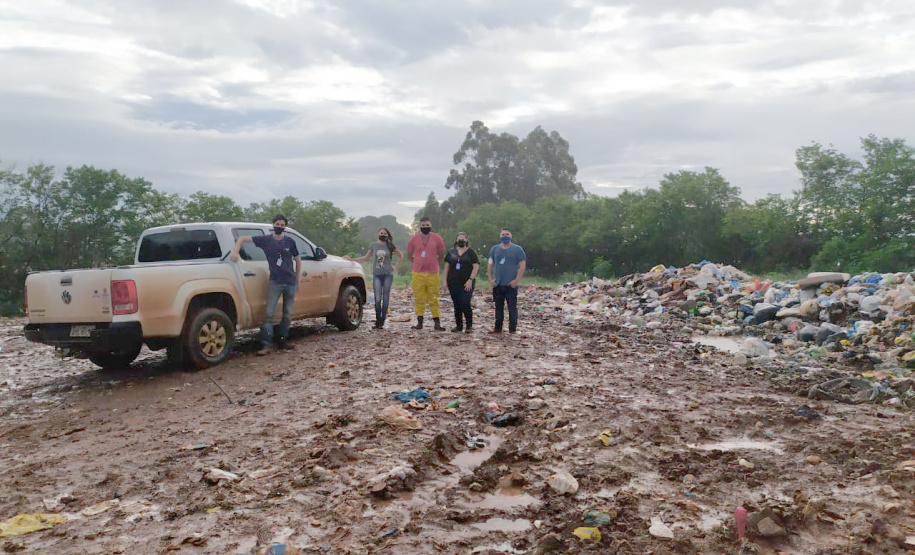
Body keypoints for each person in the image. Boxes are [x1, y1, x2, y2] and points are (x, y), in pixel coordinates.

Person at [230, 214, 302, 354]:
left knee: (287, 314)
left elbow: (298, 260)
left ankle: (282, 341)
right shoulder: (266, 240)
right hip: (275, 281)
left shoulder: (290, 241)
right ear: (273, 224)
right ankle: (266, 344)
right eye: (277, 224)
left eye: (282, 225)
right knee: (268, 314)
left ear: (285, 226)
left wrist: (297, 279)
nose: (279, 227)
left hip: (290, 282)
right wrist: (235, 251)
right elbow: (242, 238)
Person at [343, 228, 403, 329]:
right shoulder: (373, 245)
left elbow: (401, 256)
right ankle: (377, 320)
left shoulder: (390, 245)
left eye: (385, 233)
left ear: (387, 235)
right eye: (381, 233)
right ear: (378, 234)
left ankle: (382, 320)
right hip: (377, 275)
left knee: (386, 297)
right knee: (377, 298)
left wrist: (395, 268)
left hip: (388, 274)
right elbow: (365, 258)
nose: (383, 234)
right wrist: (351, 259)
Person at [405, 216, 446, 330]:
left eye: (427, 225)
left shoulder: (437, 238)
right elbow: (409, 253)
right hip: (418, 273)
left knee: (434, 297)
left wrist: (435, 261)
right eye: (423, 225)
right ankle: (419, 322)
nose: (425, 227)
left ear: (431, 225)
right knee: (419, 297)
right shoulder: (414, 239)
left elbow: (442, 253)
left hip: (433, 272)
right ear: (420, 226)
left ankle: (437, 322)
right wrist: (416, 261)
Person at [487, 227, 526, 334]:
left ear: (511, 236)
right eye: (503, 234)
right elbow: (490, 264)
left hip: (511, 284)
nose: (505, 236)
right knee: (498, 308)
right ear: (500, 236)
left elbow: (522, 265)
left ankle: (512, 329)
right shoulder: (494, 249)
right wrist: (490, 279)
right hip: (498, 284)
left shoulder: (518, 250)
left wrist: (516, 280)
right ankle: (498, 329)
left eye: (507, 234)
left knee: (512, 308)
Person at [442, 232, 480, 333]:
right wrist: (444, 281)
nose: (461, 241)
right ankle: (459, 326)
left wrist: (470, 279)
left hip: (467, 282)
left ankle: (469, 326)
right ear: (456, 241)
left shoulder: (471, 253)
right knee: (456, 304)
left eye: (463, 239)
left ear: (466, 240)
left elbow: (476, 267)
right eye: (459, 240)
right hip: (453, 282)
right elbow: (446, 267)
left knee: (465, 302)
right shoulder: (451, 253)